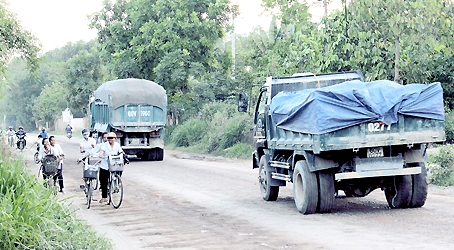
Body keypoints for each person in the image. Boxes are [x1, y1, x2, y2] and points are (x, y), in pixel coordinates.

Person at [98, 132, 124, 204]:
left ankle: (117, 184)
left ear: (115, 139)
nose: (110, 140)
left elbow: (121, 152)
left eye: (111, 138)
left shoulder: (117, 145)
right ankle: (104, 196)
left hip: (114, 164)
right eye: (108, 138)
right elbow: (101, 152)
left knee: (120, 168)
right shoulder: (105, 145)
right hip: (105, 164)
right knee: (103, 181)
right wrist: (101, 155)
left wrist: (122, 155)